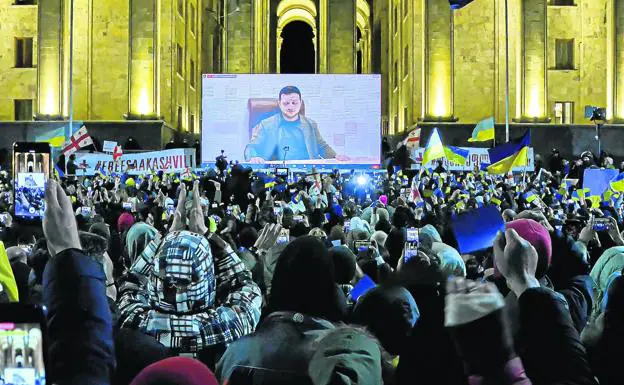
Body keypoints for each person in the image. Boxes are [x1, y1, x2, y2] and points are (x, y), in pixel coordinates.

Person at [244, 86, 346, 163]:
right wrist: (253, 157)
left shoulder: (310, 124)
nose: (290, 107)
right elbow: (251, 147)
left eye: (294, 103)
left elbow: (322, 147)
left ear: (300, 103)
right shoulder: (266, 125)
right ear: (279, 104)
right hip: (278, 174)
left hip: (308, 174)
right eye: (286, 103)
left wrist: (336, 156)